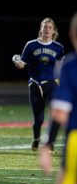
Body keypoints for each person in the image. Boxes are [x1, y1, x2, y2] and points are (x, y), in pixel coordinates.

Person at [39, 12, 77, 184]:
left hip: (75, 140)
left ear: (72, 34)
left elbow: (60, 114)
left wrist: (46, 145)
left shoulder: (70, 65)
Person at [12, 17, 64, 151]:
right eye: (44, 27)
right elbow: (22, 65)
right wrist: (15, 59)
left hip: (51, 85)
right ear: (41, 29)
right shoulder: (31, 45)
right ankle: (36, 139)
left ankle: (50, 142)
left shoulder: (58, 47)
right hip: (35, 85)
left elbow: (59, 67)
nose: (47, 29)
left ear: (54, 31)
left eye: (49, 27)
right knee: (38, 120)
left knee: (54, 115)